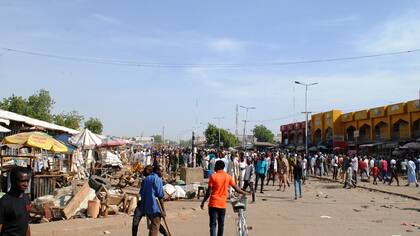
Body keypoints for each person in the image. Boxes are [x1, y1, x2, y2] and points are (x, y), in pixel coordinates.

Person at [200, 160, 248, 236]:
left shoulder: (213, 176)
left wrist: (203, 202)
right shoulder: (228, 177)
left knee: (213, 225)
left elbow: (208, 192)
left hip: (213, 204)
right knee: (221, 225)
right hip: (222, 204)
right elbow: (236, 189)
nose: (214, 167)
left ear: (218, 167)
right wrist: (245, 193)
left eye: (215, 166)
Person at [132, 165, 168, 236]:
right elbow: (160, 196)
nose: (162, 173)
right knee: (155, 226)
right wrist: (163, 210)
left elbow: (141, 193)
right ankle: (165, 233)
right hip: (154, 207)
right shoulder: (157, 179)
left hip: (145, 206)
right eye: (161, 171)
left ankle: (165, 233)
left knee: (155, 224)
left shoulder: (146, 179)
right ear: (157, 171)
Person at [0, 166, 32, 236]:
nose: (26, 184)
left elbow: (26, 224)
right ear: (12, 181)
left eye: (27, 181)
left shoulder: (26, 198)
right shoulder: (4, 202)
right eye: (22, 181)